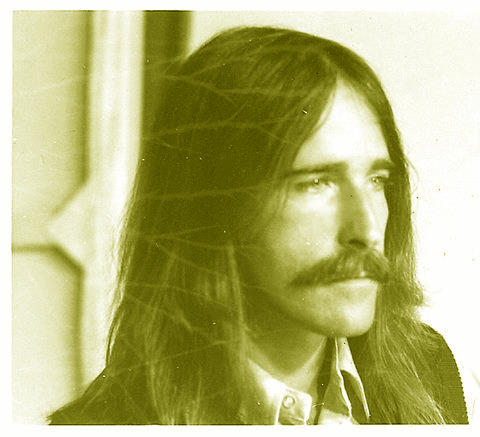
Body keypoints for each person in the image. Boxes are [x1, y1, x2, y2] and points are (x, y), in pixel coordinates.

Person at [49, 26, 468, 425]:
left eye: (377, 181)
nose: (368, 230)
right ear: (213, 203)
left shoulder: (432, 371)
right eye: (315, 182)